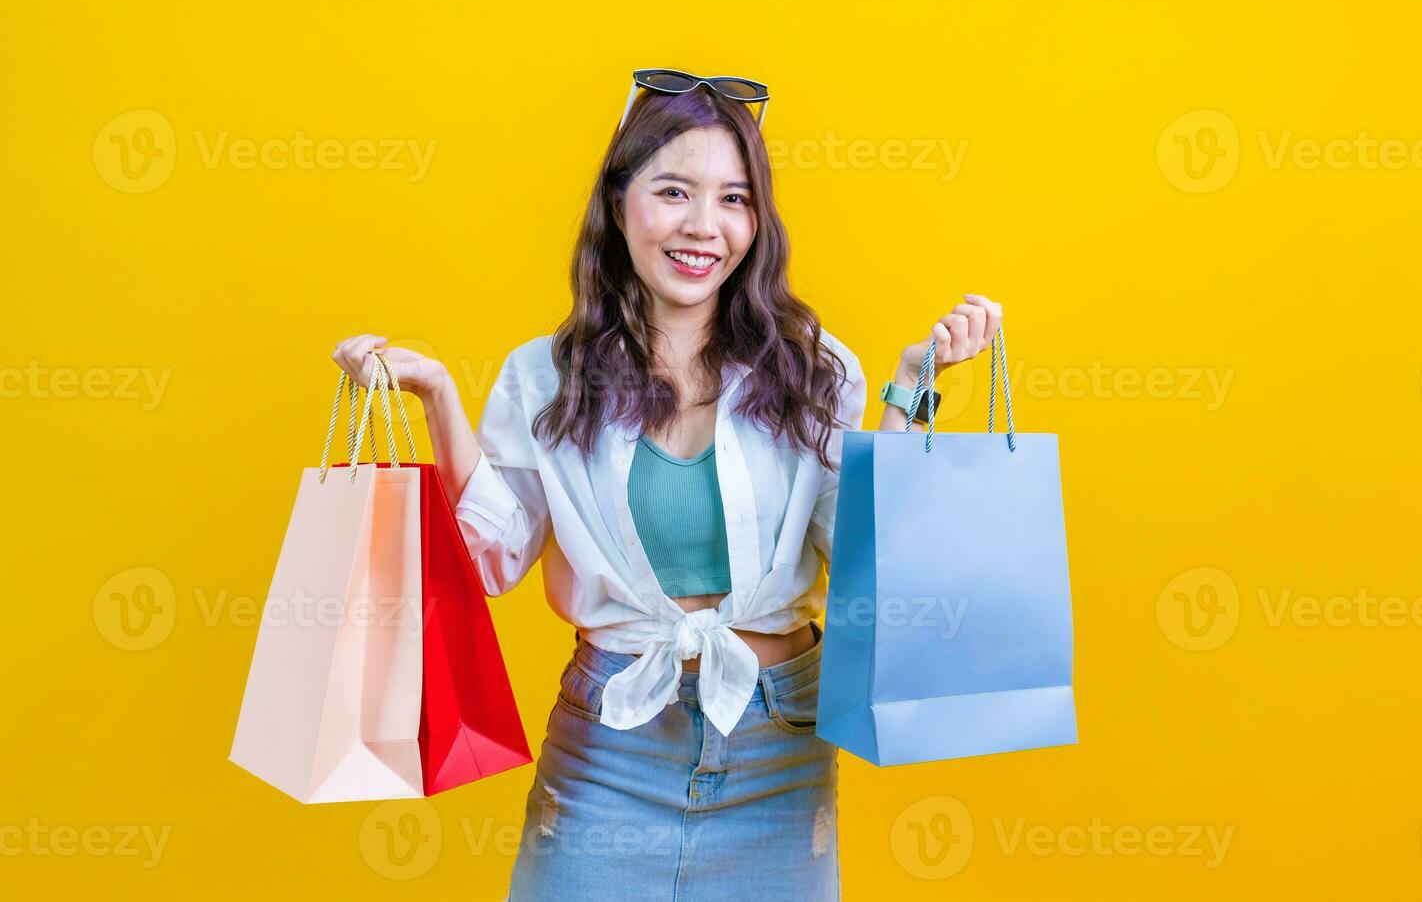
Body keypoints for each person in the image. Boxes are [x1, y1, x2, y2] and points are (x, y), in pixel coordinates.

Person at [329, 69, 1003, 901]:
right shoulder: (544, 376)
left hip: (779, 744)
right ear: (619, 204)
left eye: (733, 199)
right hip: (611, 743)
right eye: (673, 191)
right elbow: (492, 561)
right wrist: (437, 396)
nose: (703, 227)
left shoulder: (815, 371)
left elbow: (861, 554)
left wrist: (907, 393)